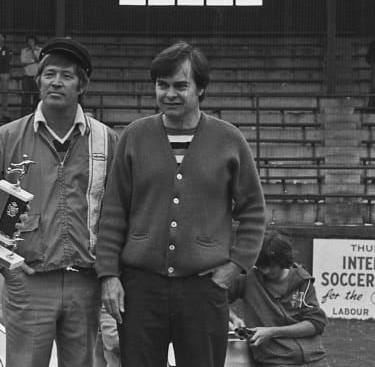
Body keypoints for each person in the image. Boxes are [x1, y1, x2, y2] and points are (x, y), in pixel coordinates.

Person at [96, 41, 266, 367]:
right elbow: (114, 211)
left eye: (180, 86)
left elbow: (254, 212)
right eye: (162, 85)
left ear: (201, 89)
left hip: (204, 288)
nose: (169, 94)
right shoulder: (134, 136)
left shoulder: (229, 140)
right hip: (141, 287)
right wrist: (109, 275)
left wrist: (233, 268)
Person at [0, 37, 118, 367]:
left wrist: (110, 271)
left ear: (82, 84)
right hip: (28, 279)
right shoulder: (8, 137)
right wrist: (2, 264)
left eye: (67, 75)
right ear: (37, 80)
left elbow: (119, 210)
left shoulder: (106, 140)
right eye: (49, 73)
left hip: (85, 282)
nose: (56, 82)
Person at [228, 232, 330, 367]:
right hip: (276, 361)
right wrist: (234, 318)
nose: (265, 271)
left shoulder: (302, 281)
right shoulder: (249, 277)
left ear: (283, 261)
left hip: (315, 359)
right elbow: (216, 300)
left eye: (270, 266)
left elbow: (316, 323)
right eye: (261, 266)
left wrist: (272, 332)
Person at [19, 34, 42, 115]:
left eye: (32, 41)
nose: (30, 42)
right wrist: (32, 61)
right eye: (29, 41)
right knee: (26, 97)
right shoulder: (24, 51)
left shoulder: (40, 50)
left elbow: (40, 60)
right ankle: (25, 114)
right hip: (27, 76)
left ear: (35, 41)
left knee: (37, 96)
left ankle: (37, 114)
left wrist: (33, 51)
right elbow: (23, 61)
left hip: (36, 76)